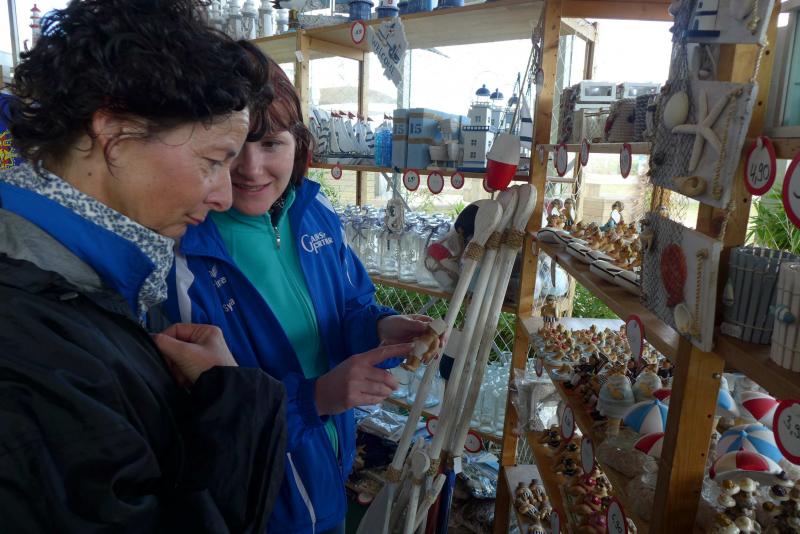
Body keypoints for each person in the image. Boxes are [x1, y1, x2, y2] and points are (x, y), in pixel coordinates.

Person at [0, 1, 287, 531]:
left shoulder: (82, 281)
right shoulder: (27, 352)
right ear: (116, 134)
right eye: (214, 160)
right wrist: (235, 406)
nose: (224, 196)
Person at [162, 54, 428, 534]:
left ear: (299, 144)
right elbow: (197, 416)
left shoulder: (314, 209)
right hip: (260, 499)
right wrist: (314, 398)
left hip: (329, 464)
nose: (251, 168)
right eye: (234, 147)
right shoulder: (185, 254)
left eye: (271, 143)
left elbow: (350, 306)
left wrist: (383, 327)